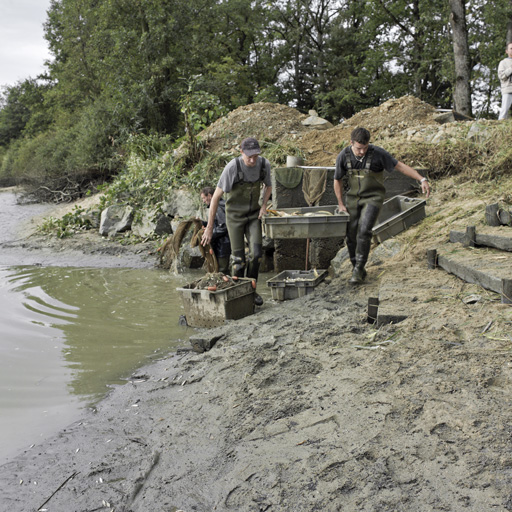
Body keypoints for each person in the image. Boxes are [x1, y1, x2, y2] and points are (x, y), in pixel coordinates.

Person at [334, 127, 431, 285]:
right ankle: (356, 266)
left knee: (364, 230)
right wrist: (340, 204)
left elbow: (399, 166)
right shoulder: (343, 156)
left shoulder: (378, 154)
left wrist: (421, 179)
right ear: (351, 143)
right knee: (351, 234)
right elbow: (337, 179)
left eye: (365, 148)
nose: (362, 152)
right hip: (353, 199)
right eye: (359, 148)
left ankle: (359, 268)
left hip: (373, 197)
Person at [201, 137, 272, 306]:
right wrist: (209, 228)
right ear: (241, 153)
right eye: (249, 156)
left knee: (256, 255)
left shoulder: (264, 165)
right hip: (234, 218)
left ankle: (251, 290)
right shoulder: (233, 167)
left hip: (253, 216)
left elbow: (268, 186)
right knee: (238, 260)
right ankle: (238, 294)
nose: (252, 160)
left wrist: (264, 205)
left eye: (255, 156)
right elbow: (216, 197)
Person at [200, 186, 231, 274]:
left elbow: (224, 226)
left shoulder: (217, 206)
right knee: (221, 270)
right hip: (224, 244)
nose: (203, 201)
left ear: (209, 195)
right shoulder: (222, 204)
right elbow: (216, 223)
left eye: (204, 198)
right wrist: (203, 223)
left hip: (223, 245)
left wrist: (210, 234)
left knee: (221, 271)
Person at [498, 42, 512, 120]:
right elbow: (501, 76)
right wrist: (510, 69)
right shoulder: (503, 63)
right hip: (508, 89)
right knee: (504, 111)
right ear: (506, 51)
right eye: (511, 48)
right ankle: (498, 128)